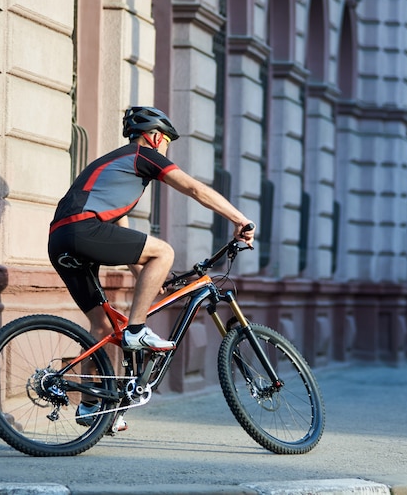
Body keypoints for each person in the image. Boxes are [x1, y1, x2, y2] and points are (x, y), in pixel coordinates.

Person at [48, 106, 255, 429]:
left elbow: (119, 228)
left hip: (60, 240)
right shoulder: (143, 154)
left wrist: (139, 273)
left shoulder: (114, 167)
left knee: (100, 326)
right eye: (167, 142)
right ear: (156, 136)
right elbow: (194, 189)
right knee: (164, 252)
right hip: (83, 229)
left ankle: (90, 407)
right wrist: (239, 219)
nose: (166, 150)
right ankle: (137, 330)